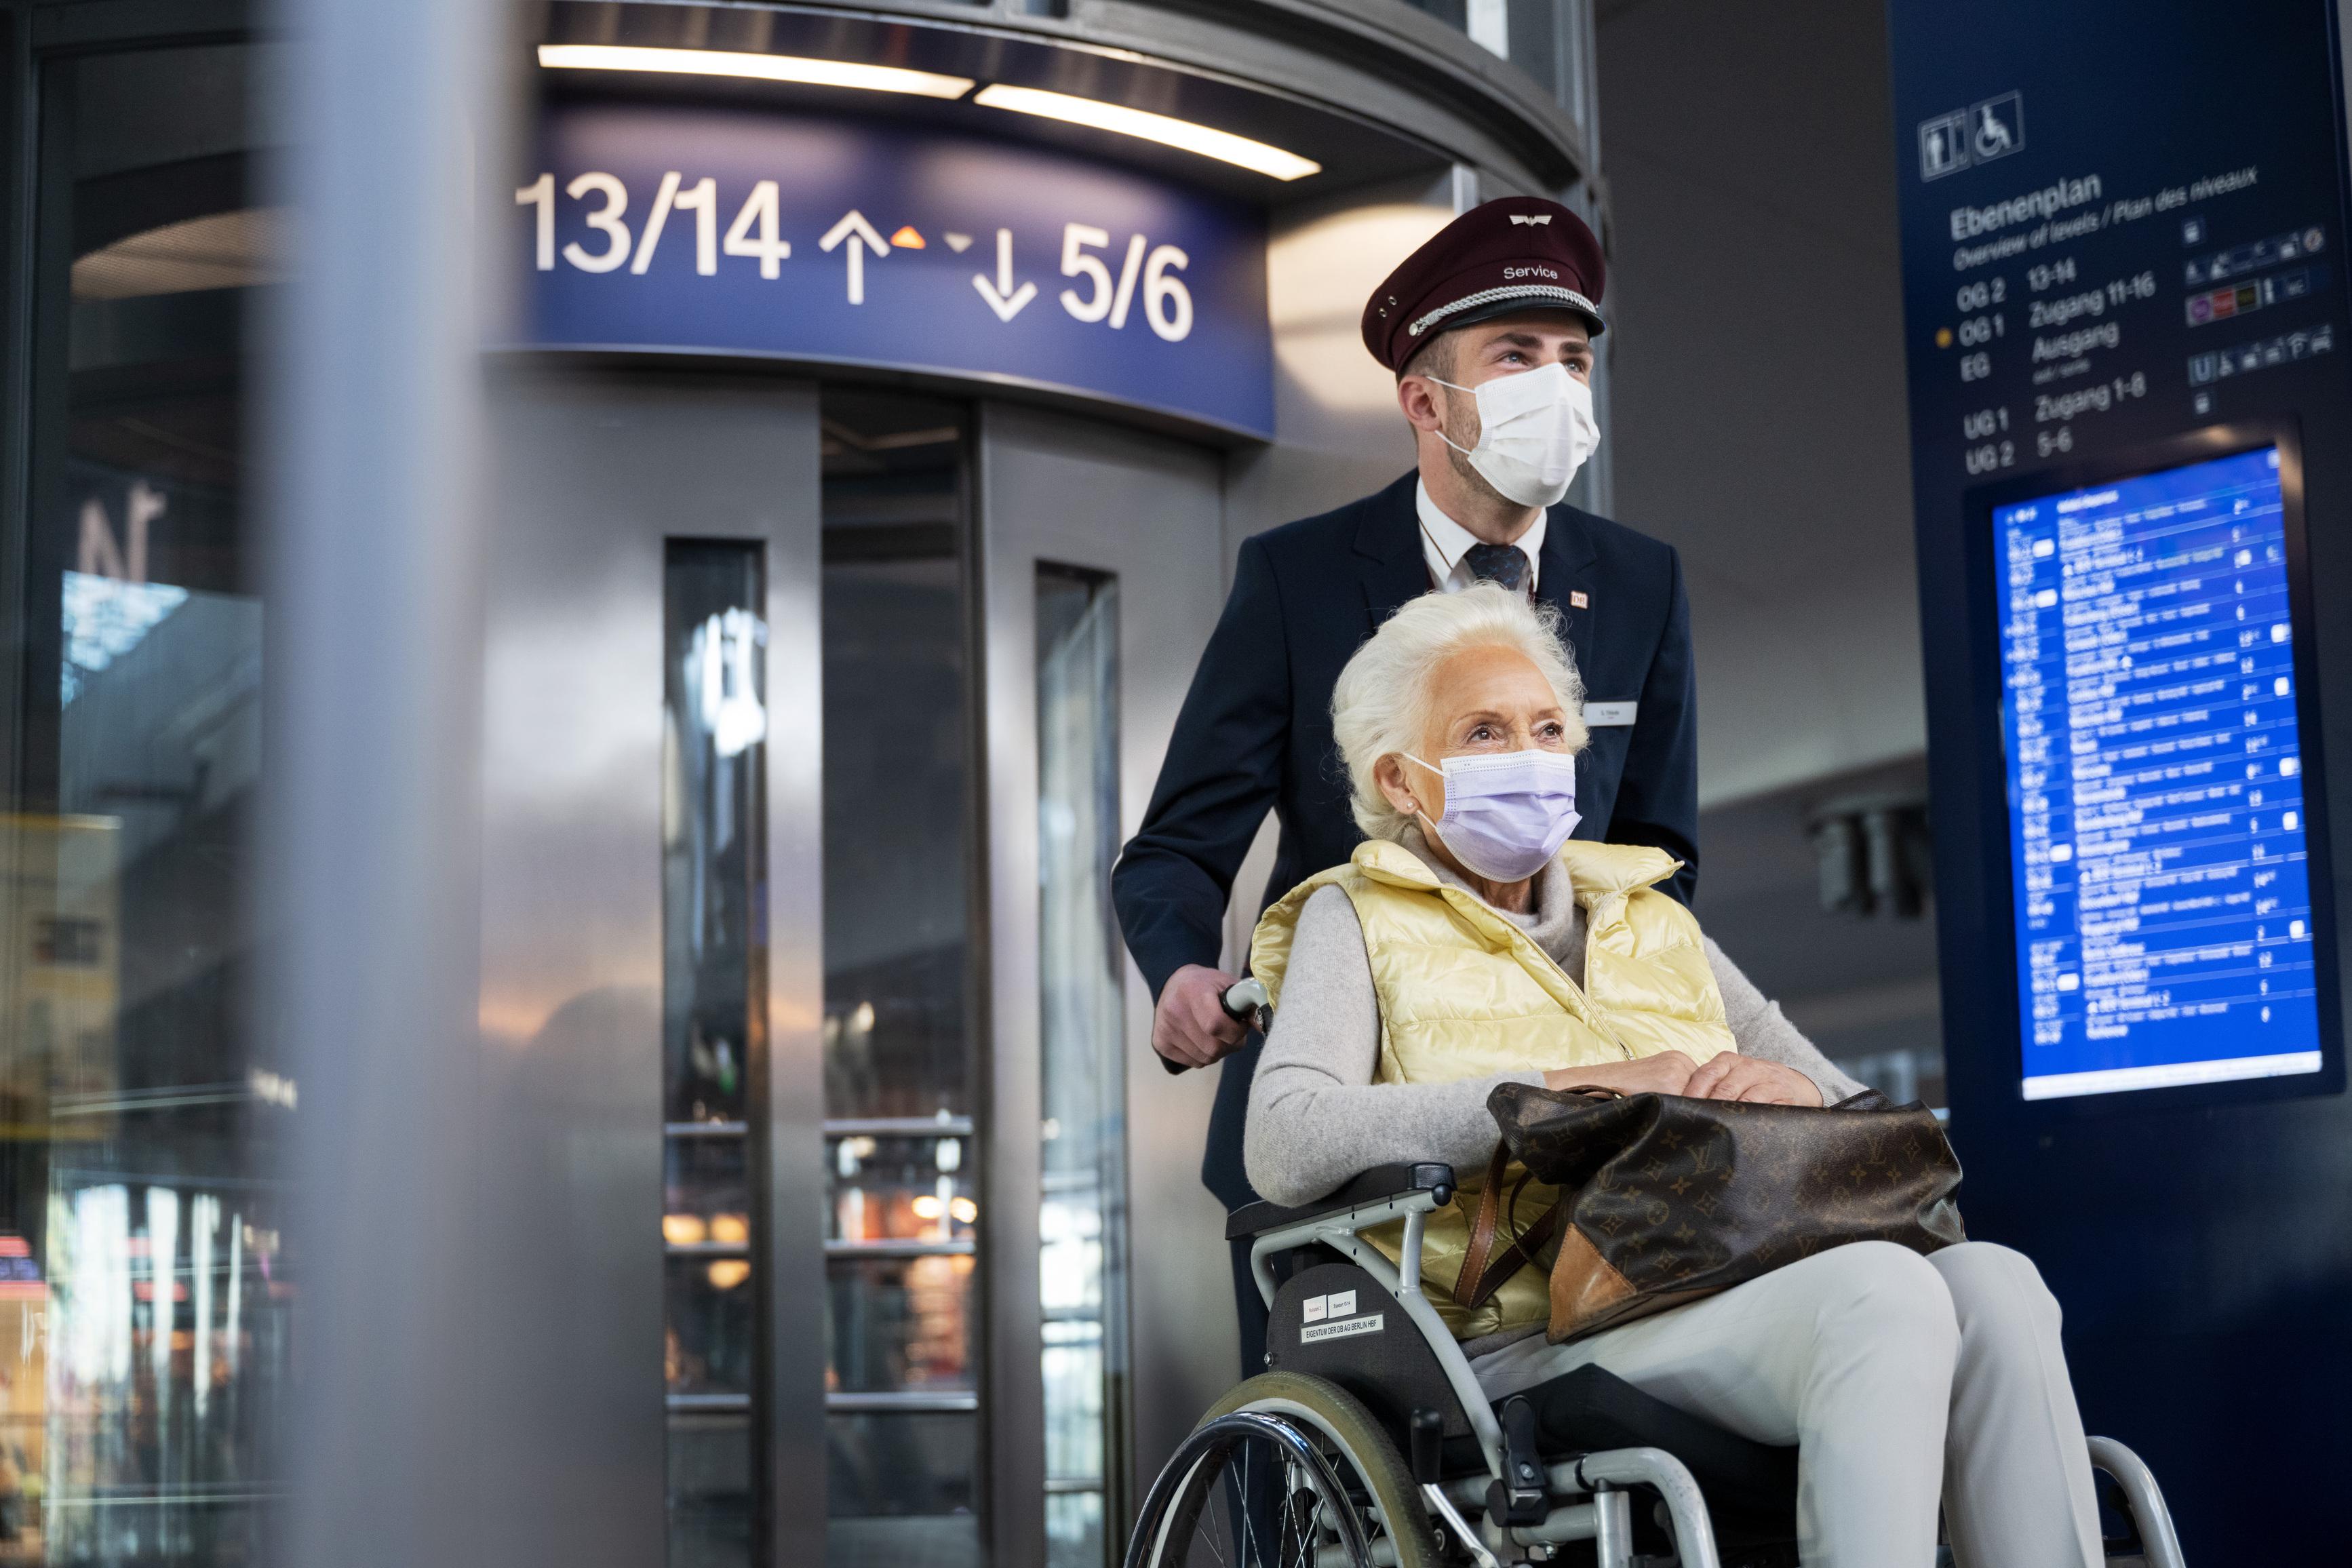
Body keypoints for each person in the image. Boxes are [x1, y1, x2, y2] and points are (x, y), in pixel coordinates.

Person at [1245, 584, 2104, 1568]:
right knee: (1882, 1293)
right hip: (1523, 1333)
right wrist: (1563, 1089)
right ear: (1401, 778)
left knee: (1999, 1284)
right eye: (1484, 732)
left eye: (1545, 726)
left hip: (1723, 1274)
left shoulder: (1650, 914)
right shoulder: (1354, 917)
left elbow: (1844, 1101)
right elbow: (1284, 1135)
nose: (1527, 754)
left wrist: (1800, 1097)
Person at [1112, 195, 1700, 1378]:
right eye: (1518, 356)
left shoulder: (1638, 583)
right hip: (1353, 1118)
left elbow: (1659, 859)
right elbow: (1177, 843)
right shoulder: (1299, 581)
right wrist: (1182, 966)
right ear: (1426, 402)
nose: (1559, 385)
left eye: (1574, 358)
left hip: (1578, 1113)